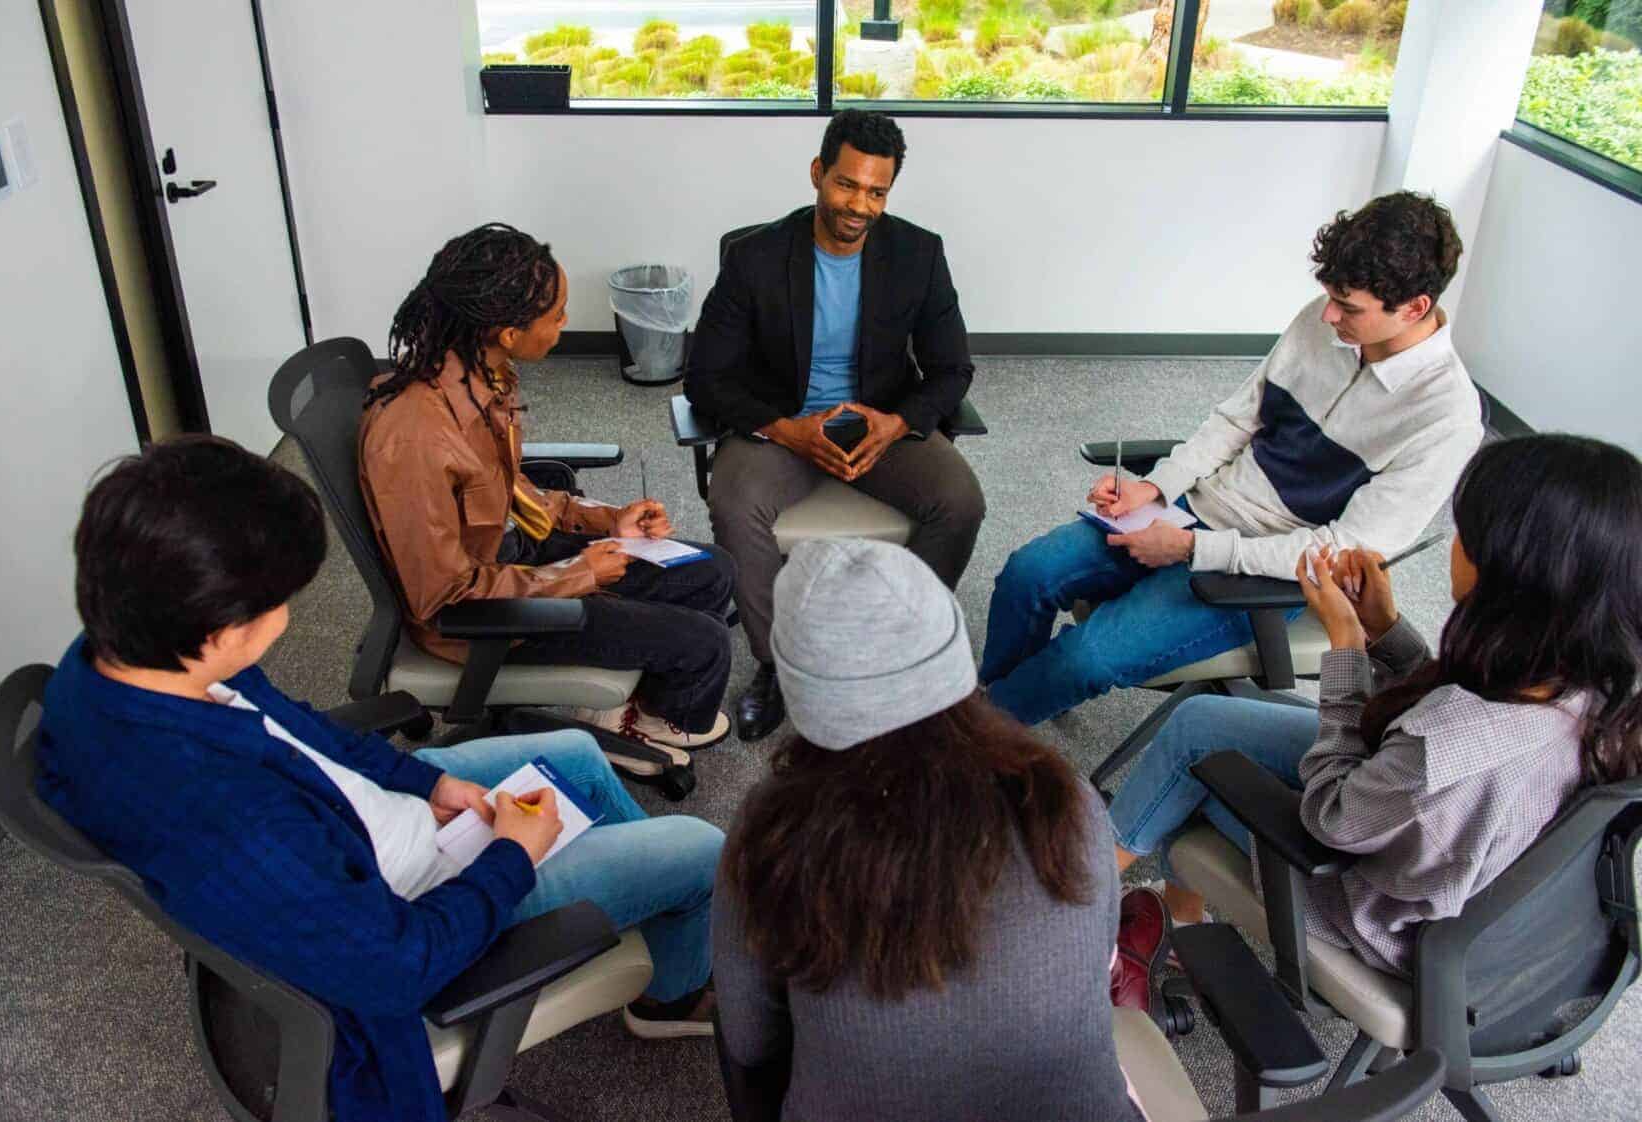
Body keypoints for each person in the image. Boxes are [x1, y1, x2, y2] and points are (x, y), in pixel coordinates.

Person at [37, 437, 727, 1122]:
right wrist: (512, 857)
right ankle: (667, 979)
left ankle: (650, 928)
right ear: (219, 630)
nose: (287, 615)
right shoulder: (224, 814)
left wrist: (424, 785)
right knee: (700, 848)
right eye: (280, 601)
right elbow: (396, 966)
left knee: (575, 754)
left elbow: (301, 732)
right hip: (414, 902)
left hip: (355, 818)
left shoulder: (128, 649)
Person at [1104, 434, 1642, 1009]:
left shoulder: (1445, 749)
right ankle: (1170, 916)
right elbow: (1444, 722)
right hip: (1487, 911)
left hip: (1372, 916)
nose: (1453, 544)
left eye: (1466, 534)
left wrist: (1346, 649)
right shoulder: (1592, 684)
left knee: (1201, 758)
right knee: (1220, 722)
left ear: (1509, 574)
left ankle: (1089, 903)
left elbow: (1332, 816)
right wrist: (1385, 630)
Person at [982, 191, 1485, 727]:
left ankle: (975, 735)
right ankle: (1005, 713)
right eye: (1329, 297)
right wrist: (1158, 488)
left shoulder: (1446, 418)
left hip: (1268, 571)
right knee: (1027, 574)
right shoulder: (1320, 320)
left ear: (1415, 307)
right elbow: (1237, 418)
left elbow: (1336, 552)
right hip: (1195, 510)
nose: (1329, 314)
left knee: (1087, 657)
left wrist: (1194, 548)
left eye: (1350, 307)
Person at [714, 539, 1140, 1121]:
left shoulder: (771, 832)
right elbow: (1089, 968)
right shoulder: (1065, 798)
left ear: (800, 687)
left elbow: (749, 1039)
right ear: (953, 650)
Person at [360, 222, 735, 752]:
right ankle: (642, 725)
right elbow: (445, 596)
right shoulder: (415, 436)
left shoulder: (481, 372)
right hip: (485, 615)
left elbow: (509, 489)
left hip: (514, 556)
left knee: (711, 571)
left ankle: (635, 696)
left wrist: (607, 519)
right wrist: (579, 573)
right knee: (705, 643)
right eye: (557, 315)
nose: (565, 324)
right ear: (509, 333)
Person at [686, 108, 986, 743]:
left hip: (876, 421)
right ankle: (777, 665)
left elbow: (952, 368)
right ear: (819, 174)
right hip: (785, 423)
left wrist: (897, 421)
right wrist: (785, 429)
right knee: (734, 502)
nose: (860, 205)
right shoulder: (754, 258)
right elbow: (705, 378)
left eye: (877, 191)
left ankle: (896, 647)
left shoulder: (919, 253)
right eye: (847, 185)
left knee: (960, 500)